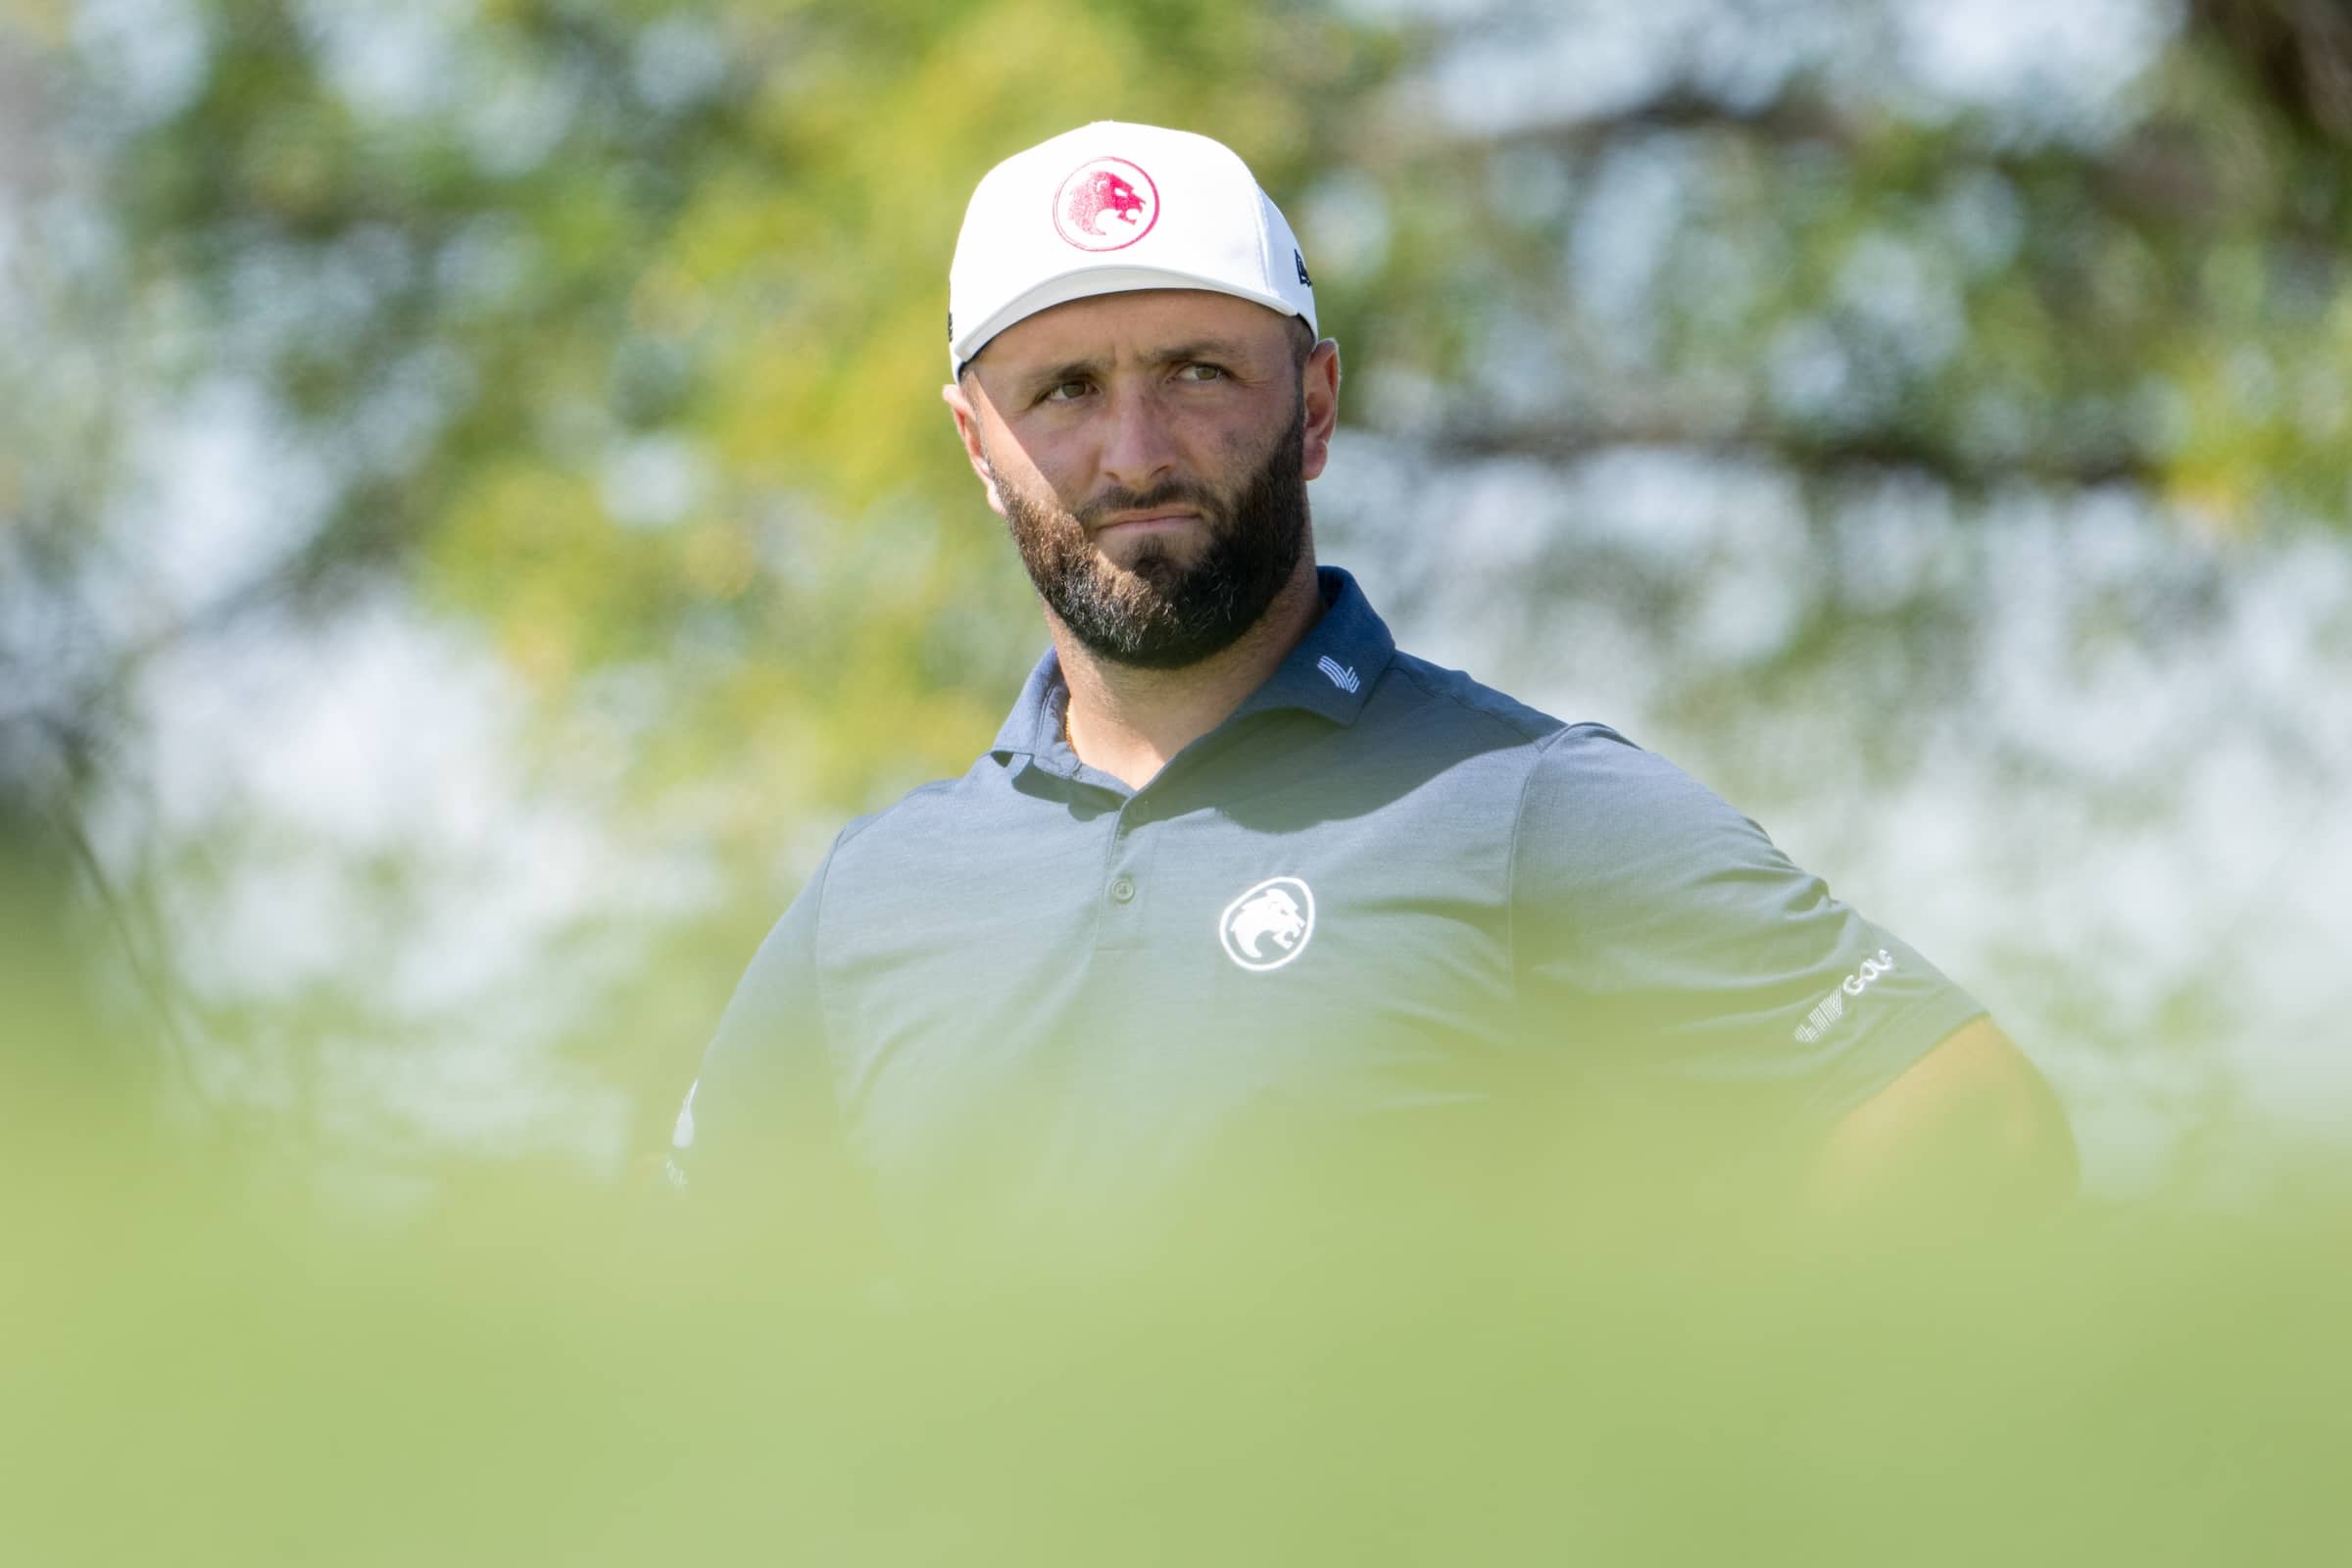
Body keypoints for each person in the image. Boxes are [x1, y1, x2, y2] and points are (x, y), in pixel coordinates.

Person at [670, 121, 2075, 1275]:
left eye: (1200, 372)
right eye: (1066, 390)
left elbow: (1973, 1130)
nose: (1134, 447)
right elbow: (691, 1310)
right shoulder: (877, 893)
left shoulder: (1526, 803)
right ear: (979, 444)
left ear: (1317, 404)